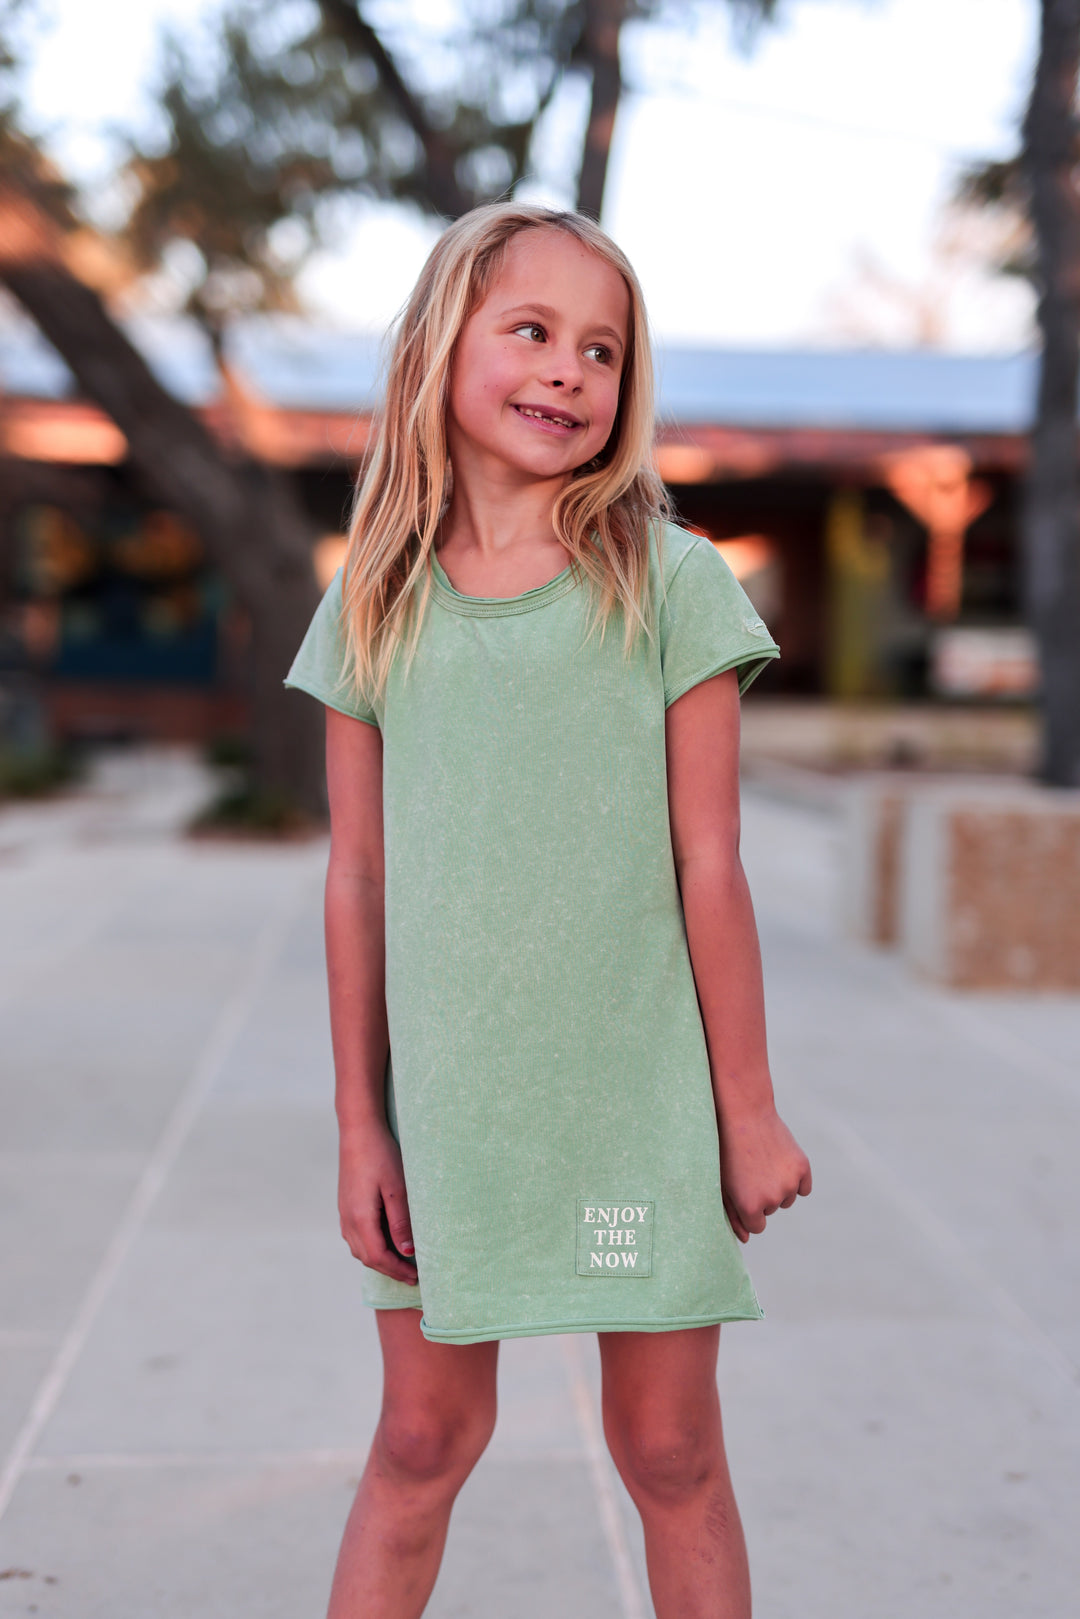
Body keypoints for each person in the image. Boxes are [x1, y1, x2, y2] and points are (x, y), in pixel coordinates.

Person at [284, 202, 812, 1619]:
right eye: (533, 332)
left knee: (670, 1451)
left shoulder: (673, 584)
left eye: (602, 351)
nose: (570, 372)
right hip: (452, 1117)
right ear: (441, 345)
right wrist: (358, 1124)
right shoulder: (375, 604)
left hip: (632, 1110)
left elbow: (713, 862)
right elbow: (358, 878)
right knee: (419, 1439)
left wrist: (746, 1110)